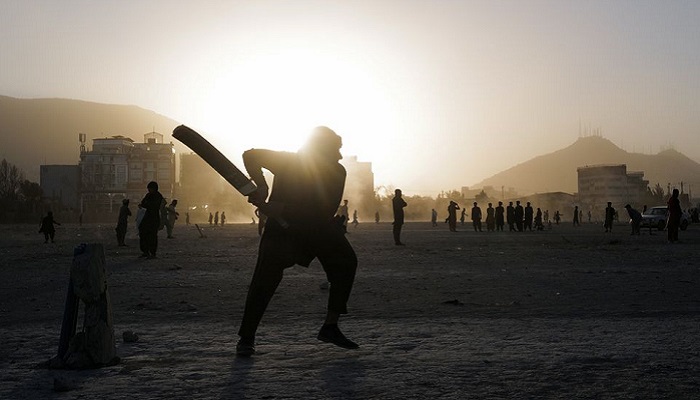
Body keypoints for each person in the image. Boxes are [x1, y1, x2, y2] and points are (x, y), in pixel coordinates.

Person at [236, 126, 359, 356]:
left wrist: (281, 208)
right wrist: (261, 185)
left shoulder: (336, 171)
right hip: (281, 233)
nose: (338, 154)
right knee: (264, 280)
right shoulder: (289, 161)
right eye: (334, 148)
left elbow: (324, 211)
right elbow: (250, 155)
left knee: (346, 261)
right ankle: (247, 337)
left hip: (316, 228)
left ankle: (330, 326)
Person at [138, 181, 164, 258]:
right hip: (147, 217)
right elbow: (144, 203)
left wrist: (146, 204)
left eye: (150, 189)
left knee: (152, 236)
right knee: (143, 233)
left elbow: (154, 206)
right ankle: (145, 251)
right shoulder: (148, 195)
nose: (149, 190)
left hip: (154, 218)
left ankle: (152, 252)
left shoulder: (158, 196)